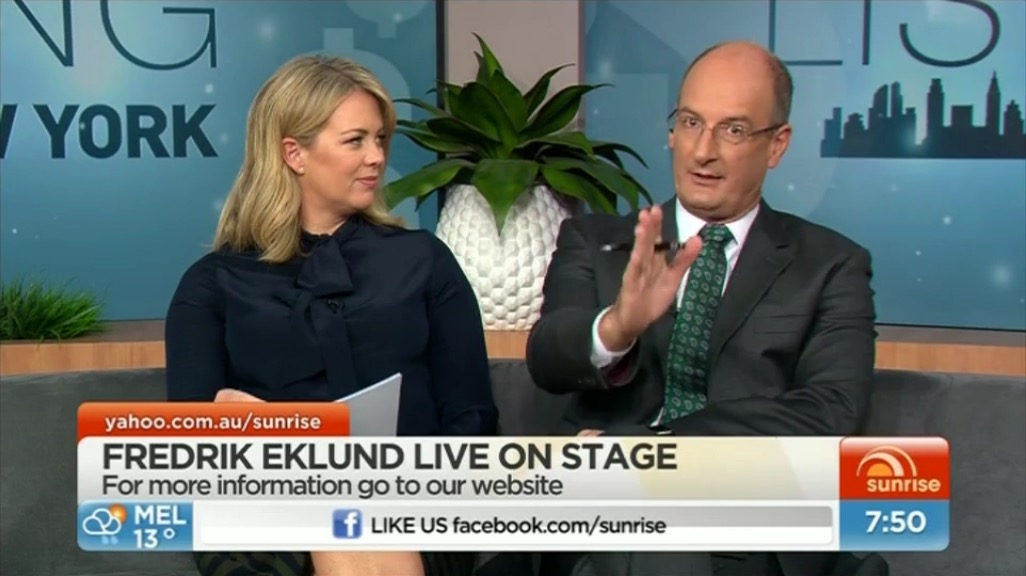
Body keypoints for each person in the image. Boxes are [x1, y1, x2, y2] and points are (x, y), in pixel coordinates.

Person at [525, 42, 889, 576]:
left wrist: (654, 451)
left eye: (733, 130)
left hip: (746, 524)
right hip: (598, 522)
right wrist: (618, 327)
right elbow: (547, 361)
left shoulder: (831, 265)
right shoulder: (597, 240)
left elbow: (829, 409)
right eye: (691, 123)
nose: (703, 151)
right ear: (672, 131)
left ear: (777, 145)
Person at [165, 54, 497, 576]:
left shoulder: (423, 260)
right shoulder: (212, 284)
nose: (377, 157)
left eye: (380, 139)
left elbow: (472, 415)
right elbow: (189, 461)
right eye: (355, 141)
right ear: (294, 153)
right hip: (265, 510)